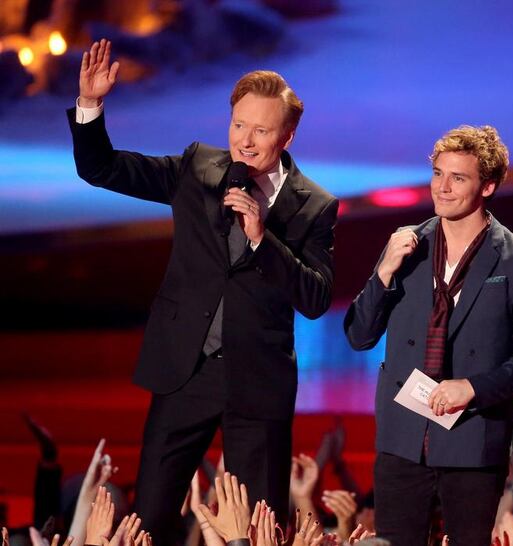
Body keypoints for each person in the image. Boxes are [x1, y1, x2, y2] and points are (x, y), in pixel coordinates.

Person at [67, 39, 338, 544]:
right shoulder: (198, 166)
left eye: (261, 130)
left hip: (257, 384)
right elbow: (102, 168)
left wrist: (263, 239)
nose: (246, 141)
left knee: (258, 530)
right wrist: (90, 105)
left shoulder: (314, 205)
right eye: (239, 125)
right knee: (146, 519)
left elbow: (316, 296)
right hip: (184, 372)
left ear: (288, 135)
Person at [344, 125, 513, 546]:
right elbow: (359, 335)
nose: (442, 187)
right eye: (437, 174)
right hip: (402, 439)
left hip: (473, 441)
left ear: (488, 185)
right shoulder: (407, 247)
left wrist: (472, 389)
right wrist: (383, 271)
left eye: (457, 178)